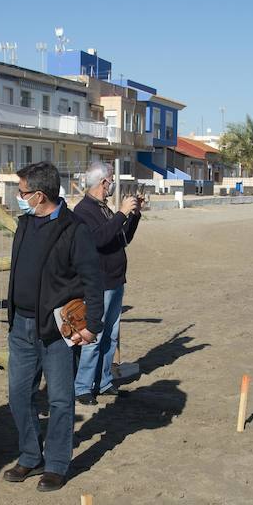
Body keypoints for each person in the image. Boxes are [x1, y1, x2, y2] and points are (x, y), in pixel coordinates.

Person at [3, 163, 103, 492]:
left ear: (40, 195)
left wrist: (92, 325)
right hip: (21, 326)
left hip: (57, 328)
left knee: (60, 399)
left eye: (22, 193)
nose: (19, 197)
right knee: (19, 394)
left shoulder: (74, 229)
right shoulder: (24, 224)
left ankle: (57, 464)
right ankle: (30, 455)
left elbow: (93, 279)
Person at [73, 161, 141, 405]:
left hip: (115, 281)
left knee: (111, 336)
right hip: (98, 285)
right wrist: (121, 213)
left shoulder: (104, 208)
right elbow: (98, 240)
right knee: (93, 336)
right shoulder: (82, 211)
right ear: (103, 182)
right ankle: (82, 387)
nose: (112, 184)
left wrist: (133, 216)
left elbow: (121, 237)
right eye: (111, 180)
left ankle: (103, 381)